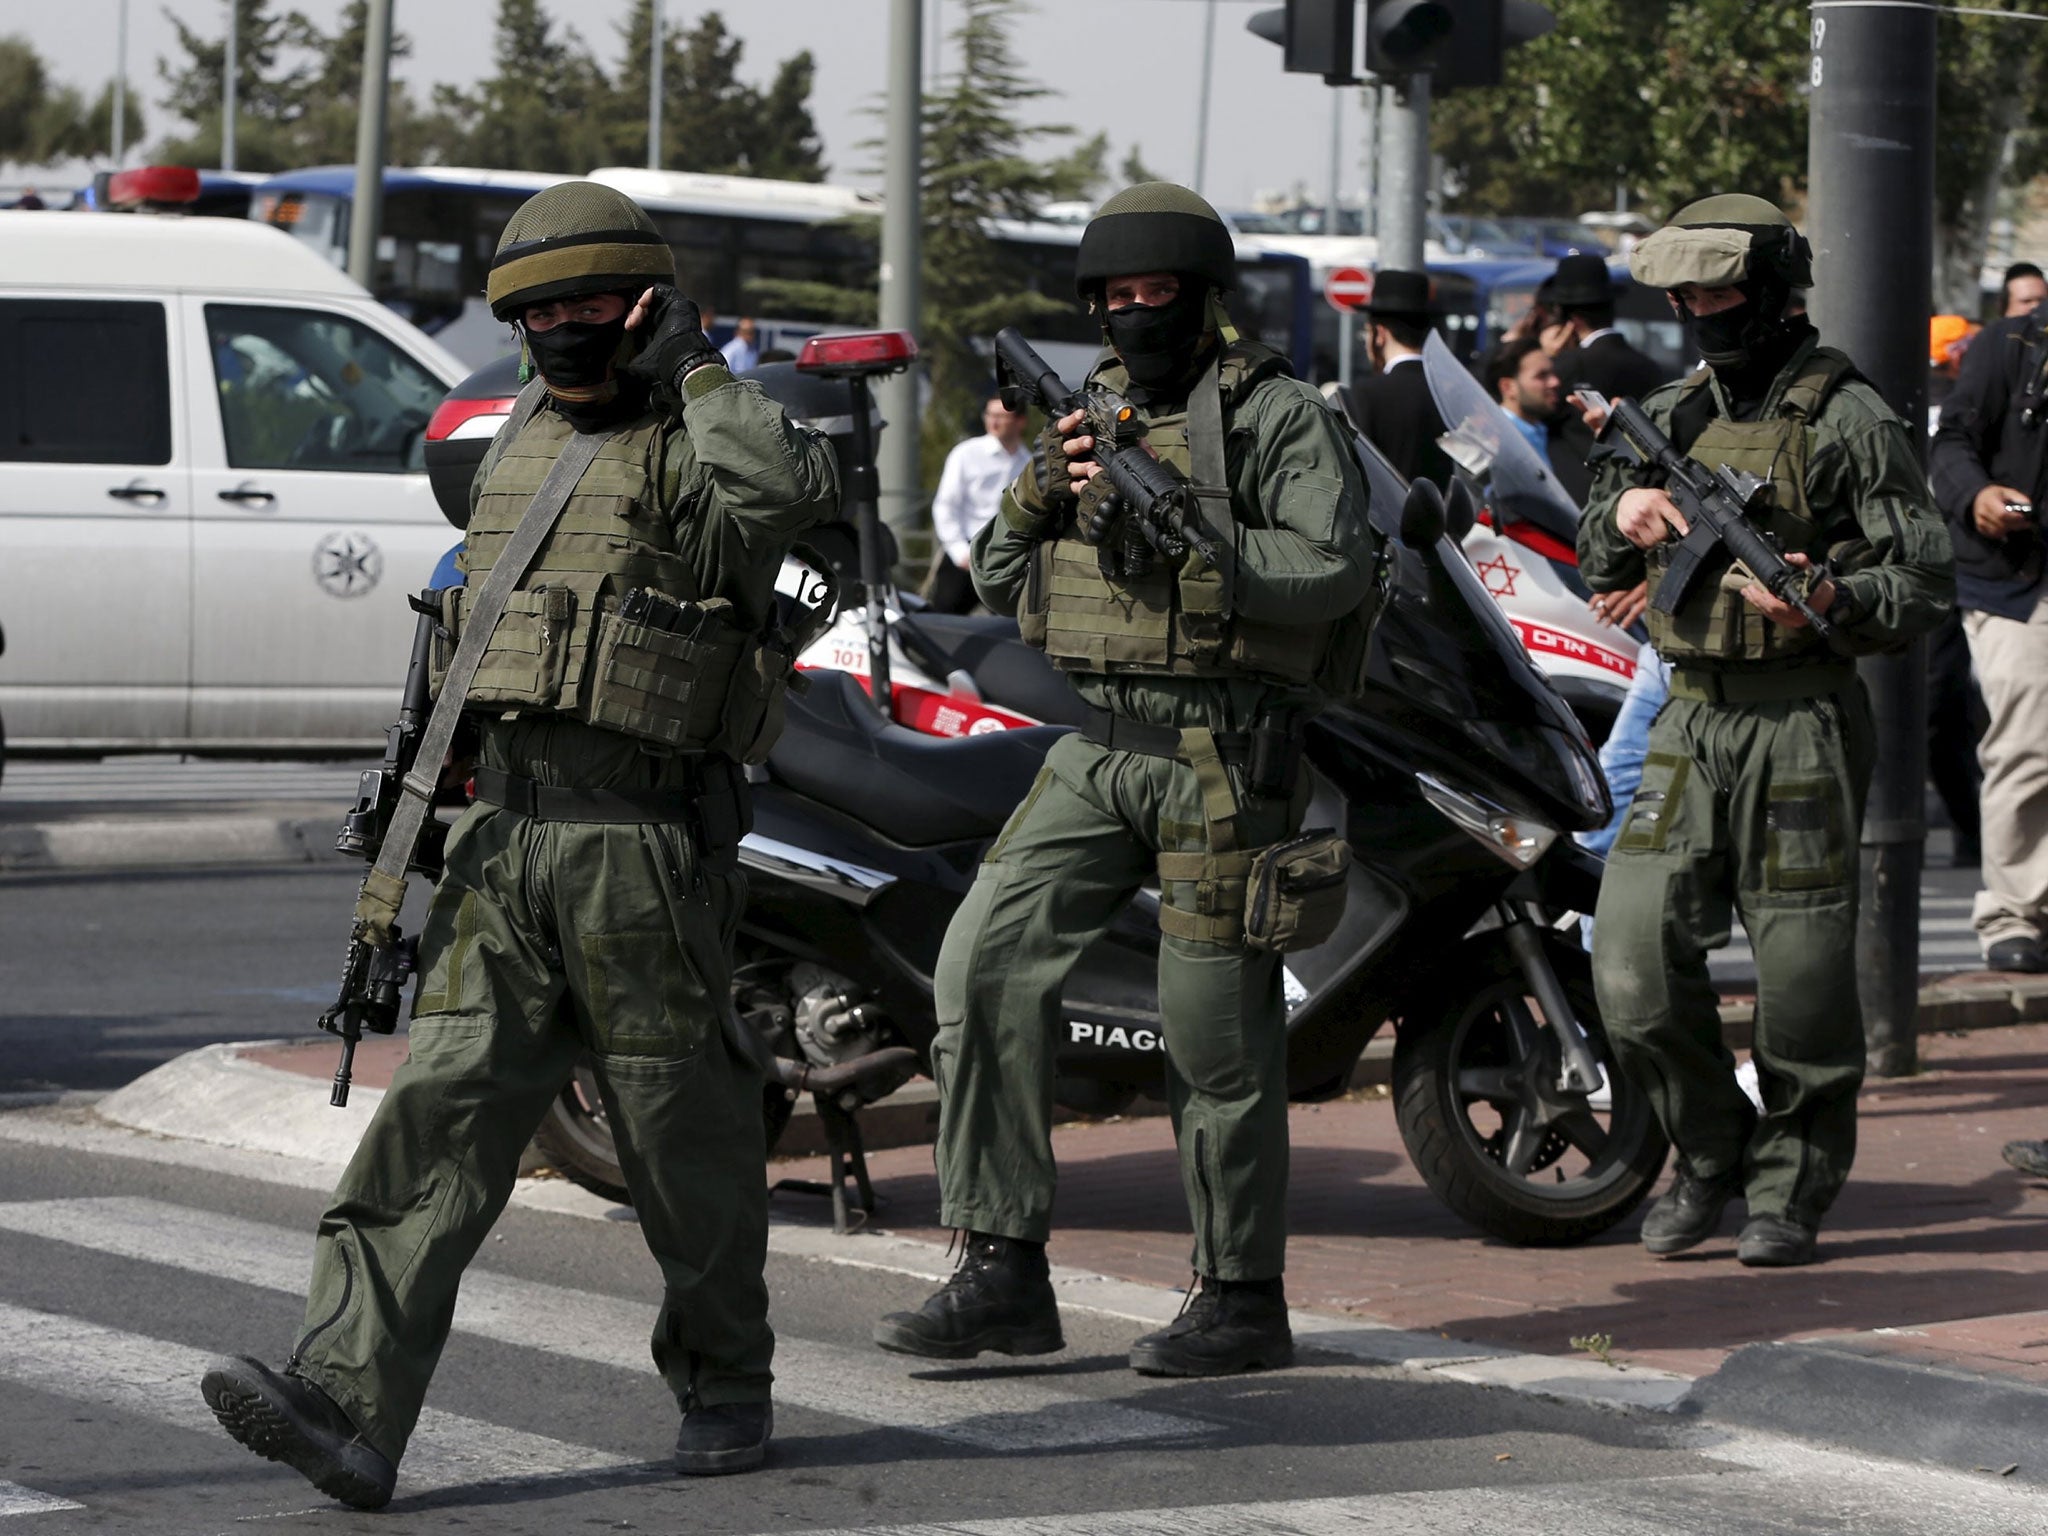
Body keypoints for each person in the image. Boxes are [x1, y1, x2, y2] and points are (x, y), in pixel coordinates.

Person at [198, 182, 841, 1503]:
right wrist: (408, 829)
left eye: (588, 306)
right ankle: (349, 1402)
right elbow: (467, 638)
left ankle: (726, 1382)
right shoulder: (523, 440)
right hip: (509, 847)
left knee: (683, 1144)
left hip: (642, 852)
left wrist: (704, 373)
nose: (560, 328)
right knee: (433, 1122)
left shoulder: (697, 434)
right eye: (537, 310)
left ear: (645, 305)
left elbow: (789, 499)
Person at [872, 182, 1380, 1376]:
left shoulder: (1278, 418)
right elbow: (999, 575)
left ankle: (1241, 1297)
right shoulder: (1090, 409)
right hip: (1096, 747)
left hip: (1220, 754)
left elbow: (1331, 569)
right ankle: (1000, 1268)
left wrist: (1200, 543)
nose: (1134, 313)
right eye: (1113, 296)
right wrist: (1043, 489)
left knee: (1214, 1036)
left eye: (1156, 294)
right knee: (979, 964)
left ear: (1204, 299)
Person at [1581, 193, 1954, 1270]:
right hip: (1686, 716)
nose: (1699, 310)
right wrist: (1620, 514)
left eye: (1718, 292)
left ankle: (1786, 1188)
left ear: (1774, 292)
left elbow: (1920, 578)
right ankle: (1710, 1152)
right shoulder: (1667, 414)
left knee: (1797, 983)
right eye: (1682, 295)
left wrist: (1824, 601)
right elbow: (1599, 567)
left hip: (1797, 720)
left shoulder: (1846, 417)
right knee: (1630, 965)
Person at [1930, 281, 2048, 966]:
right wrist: (1977, 496)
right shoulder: (2009, 345)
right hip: (2018, 580)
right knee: (2028, 740)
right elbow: (1951, 446)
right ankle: (2012, 913)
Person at [1349, 269, 1454, 487]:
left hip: (1386, 519)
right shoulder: (1452, 389)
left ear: (1380, 334)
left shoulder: (1367, 393)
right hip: (1447, 519)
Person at [926, 394, 1029, 614]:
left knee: (1009, 623)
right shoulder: (966, 453)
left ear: (1020, 421)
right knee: (944, 621)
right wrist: (959, 551)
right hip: (966, 551)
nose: (994, 421)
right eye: (990, 415)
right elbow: (945, 505)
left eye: (1002, 416)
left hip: (1006, 555)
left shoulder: (1028, 462)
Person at [1482, 334, 1563, 462]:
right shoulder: (1493, 442)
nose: (1555, 382)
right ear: (1508, 387)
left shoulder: (1537, 432)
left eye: (1552, 373)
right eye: (1541, 376)